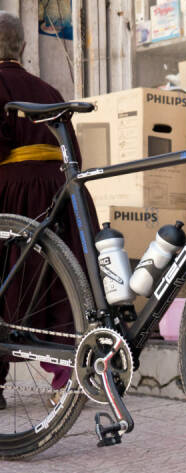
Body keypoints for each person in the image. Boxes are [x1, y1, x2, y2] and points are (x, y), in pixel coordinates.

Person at [0, 11, 98, 411]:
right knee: (57, 285)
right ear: (22, 47)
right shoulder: (49, 88)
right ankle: (66, 375)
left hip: (10, 191)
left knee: (8, 282)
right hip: (59, 192)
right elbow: (70, 152)